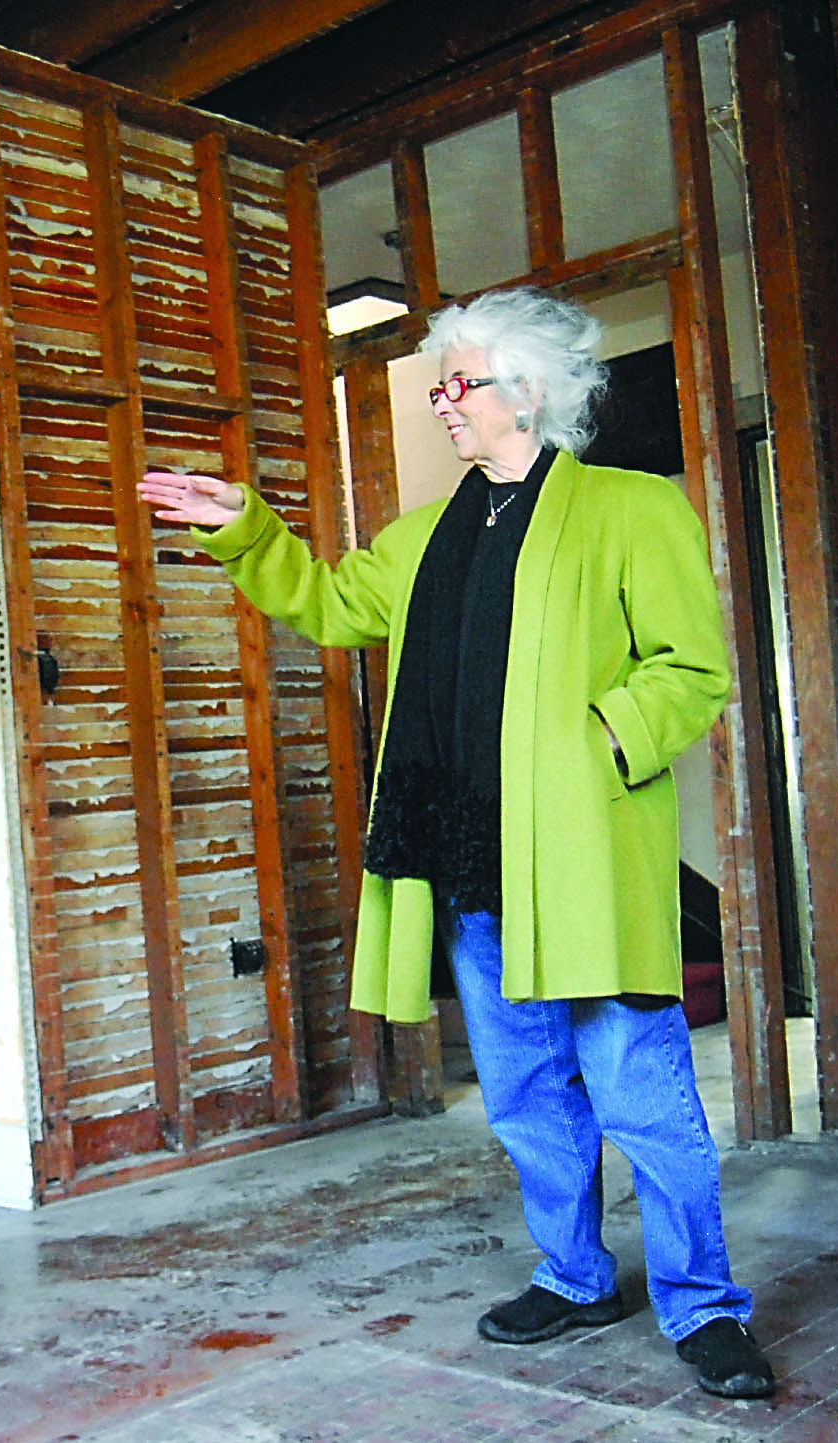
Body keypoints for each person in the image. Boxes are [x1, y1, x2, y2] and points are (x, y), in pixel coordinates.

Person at [137, 287, 775, 1400]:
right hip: (464, 861)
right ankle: (574, 1277)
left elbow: (692, 669)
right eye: (438, 384)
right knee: (526, 1094)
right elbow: (332, 604)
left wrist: (597, 743)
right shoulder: (422, 534)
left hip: (574, 859)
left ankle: (703, 1305)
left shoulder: (630, 510)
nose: (442, 402)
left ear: (527, 391)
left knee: (639, 1095)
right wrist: (242, 523)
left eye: (458, 383)